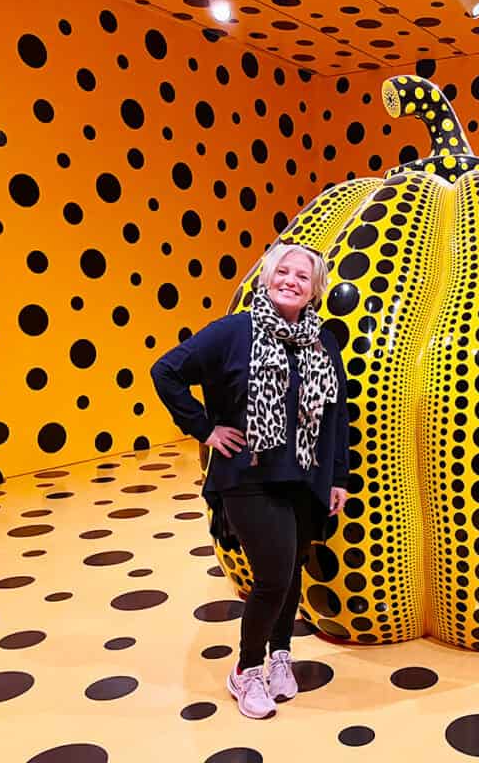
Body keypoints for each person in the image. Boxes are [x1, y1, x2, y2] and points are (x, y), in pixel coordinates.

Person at [150, 243, 349, 719]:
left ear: (314, 289)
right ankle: (246, 671)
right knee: (274, 577)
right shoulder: (235, 331)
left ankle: (282, 655)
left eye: (304, 276)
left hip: (306, 477)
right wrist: (204, 428)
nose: (292, 280)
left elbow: (336, 415)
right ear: (266, 276)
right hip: (248, 475)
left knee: (291, 571)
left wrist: (337, 476)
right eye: (284, 270)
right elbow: (166, 371)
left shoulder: (322, 342)